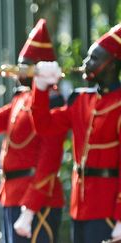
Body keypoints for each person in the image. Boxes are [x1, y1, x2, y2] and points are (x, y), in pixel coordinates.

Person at [0, 19, 66, 243]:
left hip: (36, 200)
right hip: (12, 195)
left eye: (25, 65)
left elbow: (50, 160)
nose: (18, 70)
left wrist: (30, 208)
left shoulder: (52, 102)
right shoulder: (22, 99)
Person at [32, 23, 121, 243]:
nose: (85, 64)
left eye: (93, 59)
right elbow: (44, 126)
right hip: (79, 207)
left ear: (111, 65)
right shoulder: (81, 100)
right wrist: (40, 89)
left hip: (108, 210)